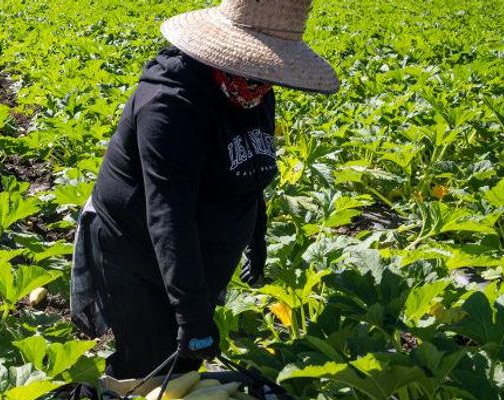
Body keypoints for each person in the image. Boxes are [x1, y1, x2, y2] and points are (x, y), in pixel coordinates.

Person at [70, 0, 339, 379]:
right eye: (257, 65)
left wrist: (255, 233)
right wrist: (193, 315)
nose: (264, 80)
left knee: (186, 364)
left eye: (269, 69)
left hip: (198, 254)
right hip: (137, 250)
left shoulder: (252, 91)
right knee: (146, 364)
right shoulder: (169, 104)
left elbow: (251, 166)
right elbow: (169, 215)